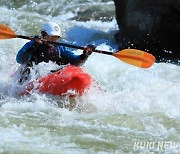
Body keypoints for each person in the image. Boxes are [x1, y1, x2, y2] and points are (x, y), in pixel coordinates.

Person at [16, 22, 95, 83]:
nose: (53, 39)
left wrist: (85, 55)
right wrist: (34, 46)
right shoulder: (32, 44)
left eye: (56, 37)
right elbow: (20, 59)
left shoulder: (61, 49)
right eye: (51, 36)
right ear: (43, 34)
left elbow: (76, 62)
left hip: (48, 77)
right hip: (29, 78)